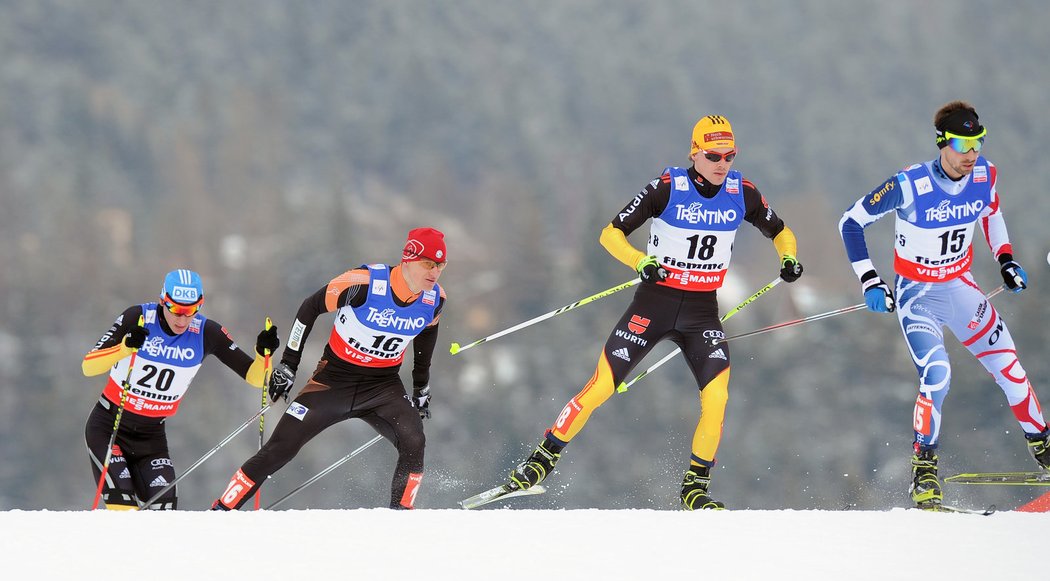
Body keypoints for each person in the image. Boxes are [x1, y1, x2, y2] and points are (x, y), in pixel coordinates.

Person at [496, 115, 803, 510]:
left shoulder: (741, 192)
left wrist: (789, 256)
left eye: (729, 155)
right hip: (654, 305)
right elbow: (610, 234)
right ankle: (540, 461)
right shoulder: (666, 187)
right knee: (602, 386)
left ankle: (695, 488)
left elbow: (781, 231)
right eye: (713, 155)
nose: (722, 163)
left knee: (717, 398)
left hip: (702, 312)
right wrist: (640, 261)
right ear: (695, 152)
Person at [838, 100, 1049, 509]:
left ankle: (1041, 444)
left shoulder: (985, 174)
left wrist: (1005, 259)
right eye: (962, 144)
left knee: (1010, 367)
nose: (971, 154)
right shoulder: (909, 185)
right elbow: (850, 222)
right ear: (942, 142)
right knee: (938, 375)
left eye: (978, 143)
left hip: (959, 287)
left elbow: (991, 213)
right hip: (918, 297)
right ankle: (924, 470)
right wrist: (870, 280)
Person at [211, 227, 447, 510]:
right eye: (428, 264)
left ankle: (400, 516)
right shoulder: (363, 283)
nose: (434, 272)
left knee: (414, 440)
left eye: (440, 266)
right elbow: (309, 308)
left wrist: (421, 386)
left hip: (383, 386)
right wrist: (288, 364)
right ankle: (221, 510)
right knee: (280, 449)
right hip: (333, 381)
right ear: (408, 259)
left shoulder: (434, 300)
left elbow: (426, 337)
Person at [83, 269, 279, 510]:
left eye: (191, 311)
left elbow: (256, 377)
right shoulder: (138, 318)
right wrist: (124, 348)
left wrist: (263, 355)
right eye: (175, 309)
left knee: (165, 518)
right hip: (110, 426)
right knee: (124, 512)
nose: (182, 320)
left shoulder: (207, 333)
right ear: (162, 301)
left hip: (151, 438)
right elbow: (89, 366)